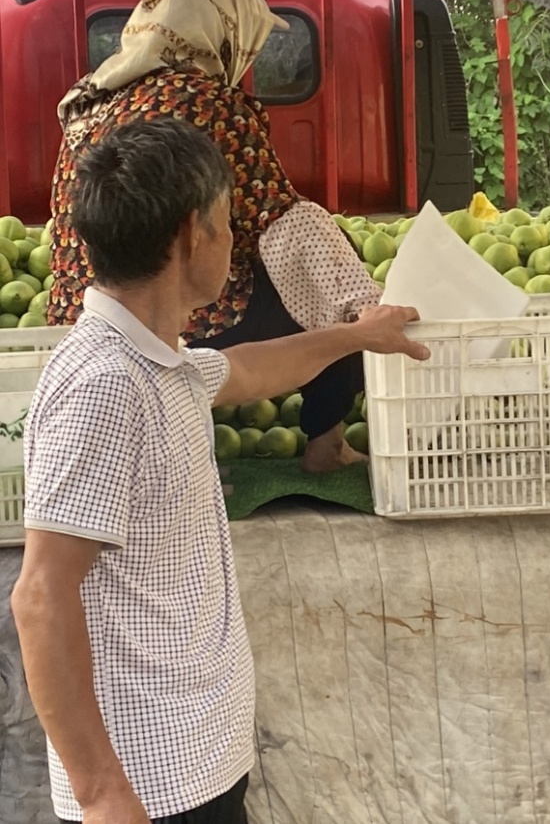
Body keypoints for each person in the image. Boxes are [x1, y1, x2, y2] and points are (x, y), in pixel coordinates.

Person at [11, 117, 429, 824]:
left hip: (196, 759)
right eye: (228, 222)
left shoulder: (161, 364)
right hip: (150, 787)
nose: (236, 242)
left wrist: (359, 336)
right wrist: (100, 791)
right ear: (188, 236)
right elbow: (41, 596)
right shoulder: (103, 384)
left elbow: (247, 367)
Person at [48, 0, 382, 473]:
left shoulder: (89, 103)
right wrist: (365, 312)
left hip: (85, 318)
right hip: (172, 311)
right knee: (336, 266)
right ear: (225, 26)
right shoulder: (206, 103)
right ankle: (328, 441)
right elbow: (282, 219)